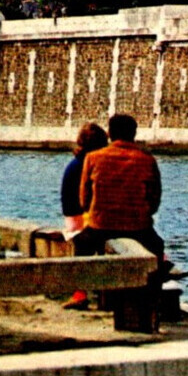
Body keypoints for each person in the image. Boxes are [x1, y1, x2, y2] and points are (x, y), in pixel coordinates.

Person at [74, 113, 166, 273]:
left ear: (109, 134)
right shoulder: (147, 160)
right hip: (138, 228)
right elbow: (154, 201)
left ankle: (80, 285)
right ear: (134, 134)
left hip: (101, 226)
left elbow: (84, 201)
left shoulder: (92, 158)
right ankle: (154, 284)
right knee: (157, 245)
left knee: (81, 243)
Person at [59, 122, 109, 309]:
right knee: (98, 237)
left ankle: (80, 295)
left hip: (72, 218)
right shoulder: (92, 164)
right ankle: (91, 294)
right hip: (83, 218)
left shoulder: (74, 164)